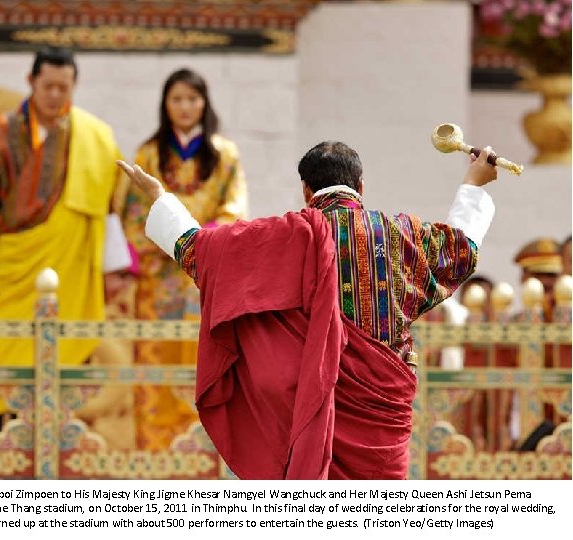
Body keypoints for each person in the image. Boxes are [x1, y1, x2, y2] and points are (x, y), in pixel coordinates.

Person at [117, 141, 497, 479]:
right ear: (360, 187)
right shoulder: (398, 235)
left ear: (306, 190)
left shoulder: (281, 236)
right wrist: (474, 182)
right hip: (380, 424)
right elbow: (459, 250)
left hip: (302, 412)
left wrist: (161, 197)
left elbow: (200, 250)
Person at [0, 47, 130, 429]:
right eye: (48, 86)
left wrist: (114, 267)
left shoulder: (95, 137)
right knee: (5, 357)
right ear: (31, 82)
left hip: (74, 271)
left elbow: (108, 207)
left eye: (63, 87)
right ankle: (9, 452)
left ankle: (64, 457)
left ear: (74, 86)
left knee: (67, 363)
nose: (55, 95)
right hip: (12, 269)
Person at [120, 68, 248, 450]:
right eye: (177, 99)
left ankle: (205, 456)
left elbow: (235, 210)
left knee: (203, 362)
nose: (185, 107)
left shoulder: (225, 154)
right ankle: (155, 456)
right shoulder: (148, 153)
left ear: (204, 103)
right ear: (165, 104)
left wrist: (200, 239)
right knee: (155, 364)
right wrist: (165, 242)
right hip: (158, 280)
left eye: (192, 98)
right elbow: (131, 214)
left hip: (205, 277)